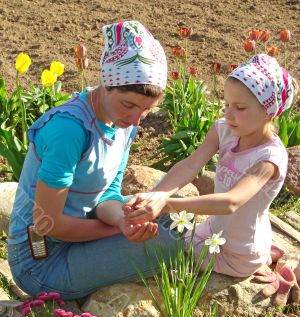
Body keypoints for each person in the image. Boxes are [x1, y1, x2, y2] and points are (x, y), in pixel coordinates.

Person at [7, 20, 178, 301]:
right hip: (41, 261)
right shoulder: (70, 130)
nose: (136, 119)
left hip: (82, 233)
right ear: (107, 84)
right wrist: (117, 229)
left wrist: (124, 220)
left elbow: (107, 194)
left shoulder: (124, 123)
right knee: (176, 239)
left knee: (172, 212)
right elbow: (50, 224)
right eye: (129, 105)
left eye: (147, 110)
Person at [124, 54, 298, 302]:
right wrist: (158, 194)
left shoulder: (269, 158)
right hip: (213, 232)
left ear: (268, 111)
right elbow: (191, 164)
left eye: (240, 108)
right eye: (226, 104)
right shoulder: (225, 129)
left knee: (158, 245)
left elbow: (231, 202)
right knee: (155, 220)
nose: (229, 114)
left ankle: (260, 257)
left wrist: (168, 204)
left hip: (237, 253)